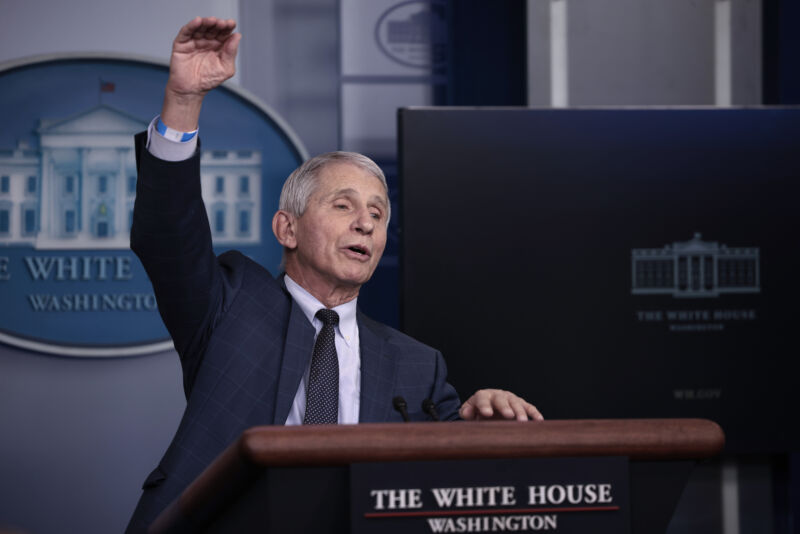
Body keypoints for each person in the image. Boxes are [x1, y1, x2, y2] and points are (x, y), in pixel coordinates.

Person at [126, 16, 542, 533]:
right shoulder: (229, 306)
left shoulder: (417, 366)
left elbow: (444, 491)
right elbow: (169, 234)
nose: (365, 222)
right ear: (287, 228)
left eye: (378, 212)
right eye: (343, 206)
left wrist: (478, 428)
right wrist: (184, 100)